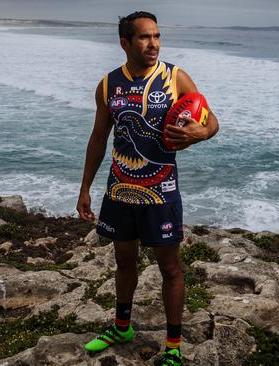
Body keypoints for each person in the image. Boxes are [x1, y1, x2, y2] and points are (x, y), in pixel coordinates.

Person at [76, 11, 219, 366]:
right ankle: (121, 326)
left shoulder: (174, 77)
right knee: (124, 260)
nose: (153, 43)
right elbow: (98, 139)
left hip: (162, 192)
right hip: (120, 189)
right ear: (125, 43)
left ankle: (173, 347)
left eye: (156, 36)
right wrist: (84, 188)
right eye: (144, 37)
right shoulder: (109, 85)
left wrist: (201, 133)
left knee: (169, 268)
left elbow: (210, 118)